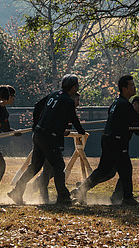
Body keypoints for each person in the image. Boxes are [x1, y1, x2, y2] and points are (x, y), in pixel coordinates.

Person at [73, 76, 139, 206]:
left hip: (108, 140)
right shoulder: (124, 104)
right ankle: (127, 198)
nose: (134, 87)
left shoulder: (116, 103)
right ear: (124, 88)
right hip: (117, 141)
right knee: (126, 169)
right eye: (132, 85)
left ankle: (80, 190)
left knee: (103, 170)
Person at [8, 74, 86, 205]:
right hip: (49, 137)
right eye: (77, 85)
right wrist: (81, 131)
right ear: (73, 87)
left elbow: (38, 106)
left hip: (39, 134)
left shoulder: (54, 95)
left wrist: (35, 124)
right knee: (58, 165)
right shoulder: (67, 101)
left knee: (35, 166)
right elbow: (73, 118)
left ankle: (17, 192)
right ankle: (63, 197)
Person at [35, 92, 80, 204]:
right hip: (49, 141)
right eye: (77, 100)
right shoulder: (61, 108)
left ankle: (36, 187)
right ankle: (45, 196)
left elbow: (65, 129)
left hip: (56, 142)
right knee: (49, 169)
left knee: (52, 170)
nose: (78, 103)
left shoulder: (69, 110)